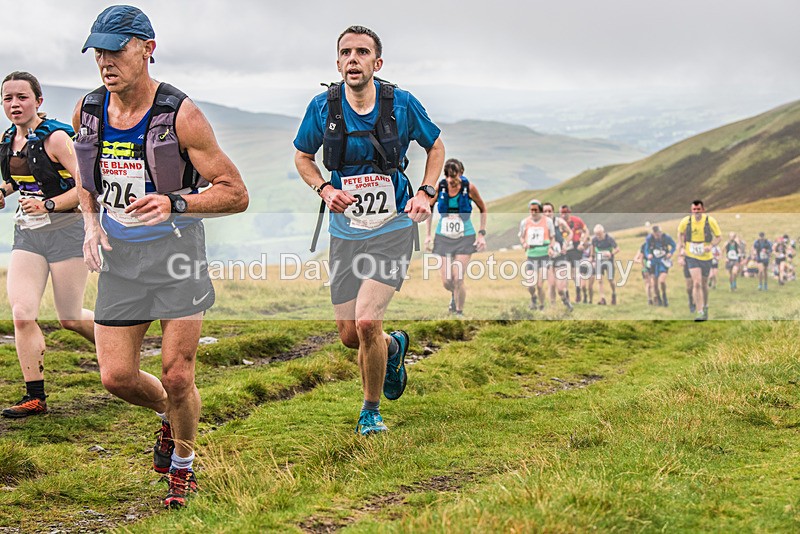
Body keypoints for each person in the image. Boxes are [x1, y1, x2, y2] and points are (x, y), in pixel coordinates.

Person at [75, 6, 249, 508]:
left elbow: (236, 193)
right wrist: (90, 225)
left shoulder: (180, 115)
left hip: (176, 255)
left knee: (177, 374)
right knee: (116, 377)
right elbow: (86, 179)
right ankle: (169, 419)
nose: (105, 61)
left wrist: (176, 203)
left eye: (116, 50)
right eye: (98, 52)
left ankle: (183, 468)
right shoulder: (88, 110)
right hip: (120, 259)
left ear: (147, 49)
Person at [294, 26, 444, 436]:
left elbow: (435, 147)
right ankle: (393, 347)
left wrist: (426, 192)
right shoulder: (323, 107)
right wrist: (324, 189)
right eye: (346, 53)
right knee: (349, 335)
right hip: (346, 232)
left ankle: (370, 412)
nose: (353, 59)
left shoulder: (401, 103)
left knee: (365, 322)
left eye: (362, 52)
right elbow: (303, 156)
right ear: (337, 63)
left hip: (392, 226)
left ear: (377, 63)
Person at [0, 72, 96, 418]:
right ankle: (35, 397)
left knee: (70, 317)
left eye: (22, 97)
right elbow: (22, 180)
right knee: (22, 313)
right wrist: (3, 191)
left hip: (67, 232)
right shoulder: (7, 140)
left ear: (38, 101)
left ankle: (119, 348)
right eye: (8, 98)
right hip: (29, 235)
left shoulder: (56, 138)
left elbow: (87, 185)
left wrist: (49, 205)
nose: (15, 104)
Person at [424, 158, 487, 316]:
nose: (451, 180)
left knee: (458, 278)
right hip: (443, 237)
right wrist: (428, 235)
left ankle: (459, 312)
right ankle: (454, 294)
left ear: (461, 173)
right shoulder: (441, 187)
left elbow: (483, 208)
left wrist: (481, 234)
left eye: (454, 176)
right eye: (448, 176)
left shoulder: (469, 187)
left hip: (465, 237)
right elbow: (429, 208)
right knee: (447, 281)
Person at [677, 200, 721, 321]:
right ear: (691, 210)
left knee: (704, 284)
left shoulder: (710, 221)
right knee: (696, 283)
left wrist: (711, 246)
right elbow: (680, 234)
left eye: (698, 209)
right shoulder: (686, 221)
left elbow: (719, 237)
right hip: (691, 255)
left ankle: (705, 306)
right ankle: (699, 311)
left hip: (706, 256)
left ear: (703, 210)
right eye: (694, 210)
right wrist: (681, 248)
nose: (696, 212)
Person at [519, 199, 555, 310]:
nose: (533, 212)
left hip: (544, 256)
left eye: (535, 210)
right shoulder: (525, 222)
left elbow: (552, 237)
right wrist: (524, 243)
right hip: (531, 255)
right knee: (530, 284)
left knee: (540, 285)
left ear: (540, 210)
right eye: (531, 210)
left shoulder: (548, 221)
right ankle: (533, 297)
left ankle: (542, 305)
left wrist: (551, 247)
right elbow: (521, 236)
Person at [543, 202, 573, 311]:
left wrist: (565, 244)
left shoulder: (559, 222)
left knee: (560, 289)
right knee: (551, 285)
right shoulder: (540, 225)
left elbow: (570, 233)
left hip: (560, 256)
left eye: (549, 211)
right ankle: (553, 308)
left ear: (553, 211)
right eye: (545, 211)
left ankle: (565, 300)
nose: (547, 213)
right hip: (548, 257)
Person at [559, 205, 588, 303]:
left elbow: (586, 231)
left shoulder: (577, 220)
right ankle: (566, 294)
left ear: (569, 212)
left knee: (575, 273)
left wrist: (582, 243)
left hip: (575, 248)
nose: (563, 215)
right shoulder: (559, 222)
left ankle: (578, 291)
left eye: (565, 212)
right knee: (566, 272)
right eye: (561, 213)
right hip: (565, 248)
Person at [644, 226, 676, 307]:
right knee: (654, 284)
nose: (657, 235)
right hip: (654, 263)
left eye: (658, 233)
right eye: (655, 234)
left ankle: (664, 296)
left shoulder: (666, 237)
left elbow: (674, 245)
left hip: (663, 262)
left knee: (662, 281)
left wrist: (670, 253)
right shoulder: (649, 239)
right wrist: (648, 255)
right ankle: (659, 299)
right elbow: (646, 249)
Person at [591, 224, 619, 305]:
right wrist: (592, 258)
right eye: (596, 234)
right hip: (599, 261)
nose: (598, 236)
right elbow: (592, 249)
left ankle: (614, 294)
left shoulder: (609, 239)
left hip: (609, 261)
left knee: (610, 280)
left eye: (599, 234)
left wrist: (611, 254)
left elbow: (617, 249)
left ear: (603, 232)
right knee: (599, 280)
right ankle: (602, 298)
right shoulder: (594, 240)